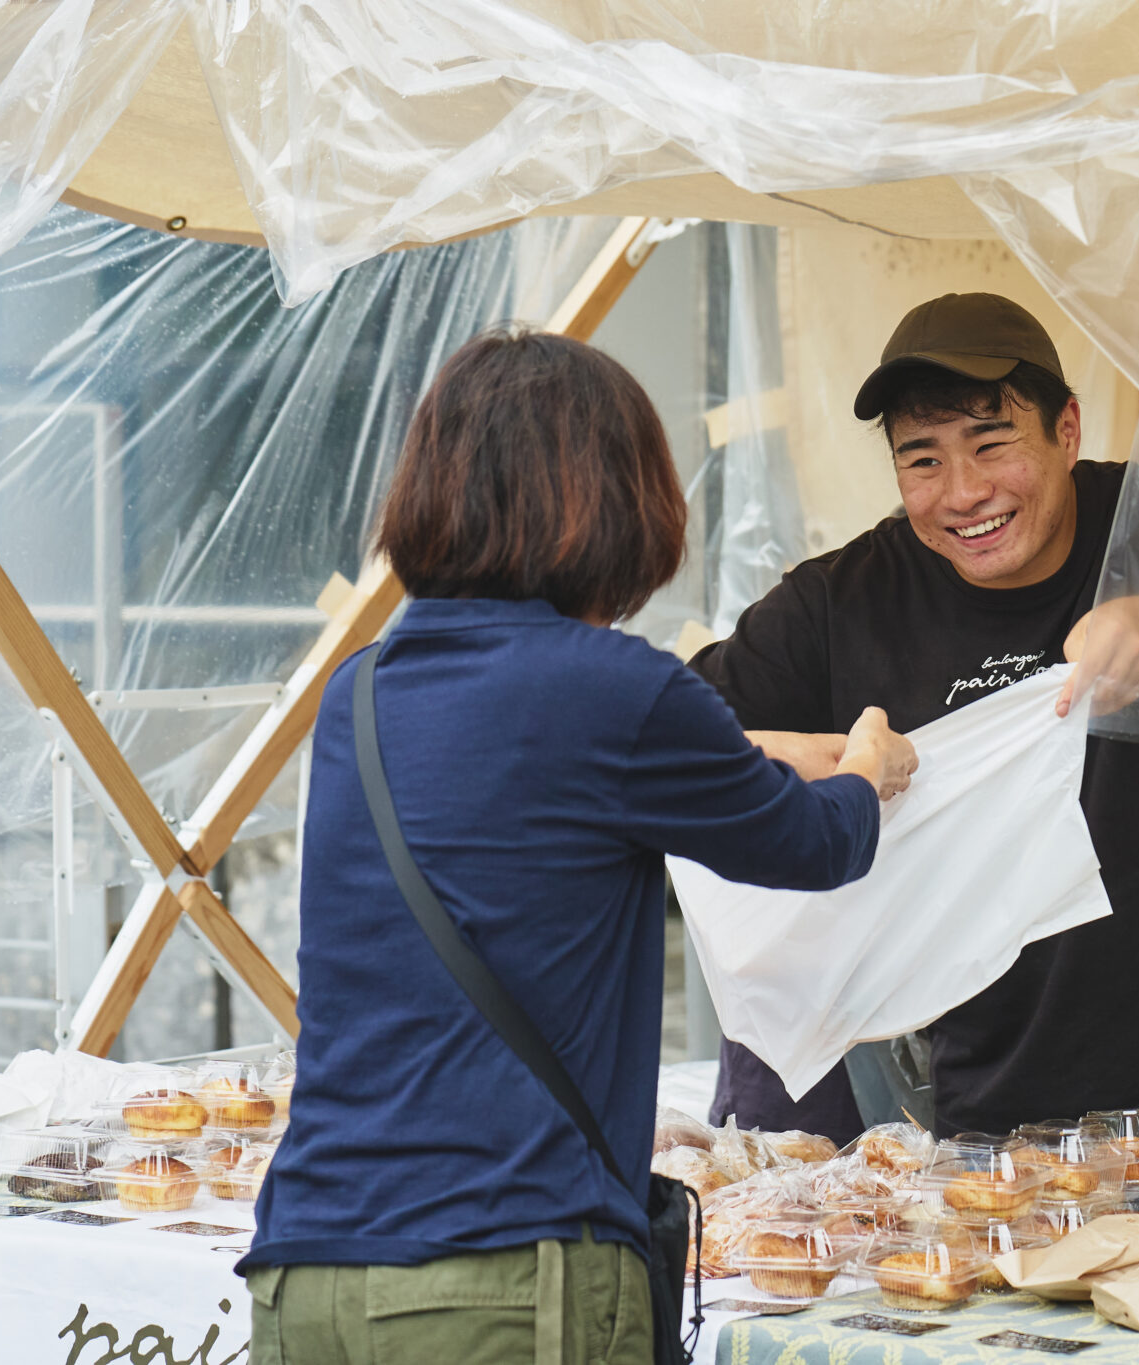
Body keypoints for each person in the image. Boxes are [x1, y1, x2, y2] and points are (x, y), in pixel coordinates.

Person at [238, 327, 917, 1364]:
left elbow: (528, 782)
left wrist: (747, 746)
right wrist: (867, 768)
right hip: (505, 1279)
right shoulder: (618, 688)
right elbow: (812, 845)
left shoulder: (358, 694)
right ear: (611, 504)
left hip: (310, 1270)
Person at [693, 292, 1139, 1242]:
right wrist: (825, 759)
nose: (963, 492)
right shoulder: (842, 604)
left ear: (1067, 430)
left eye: (991, 442)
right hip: (1002, 1123)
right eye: (922, 460)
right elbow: (665, 742)